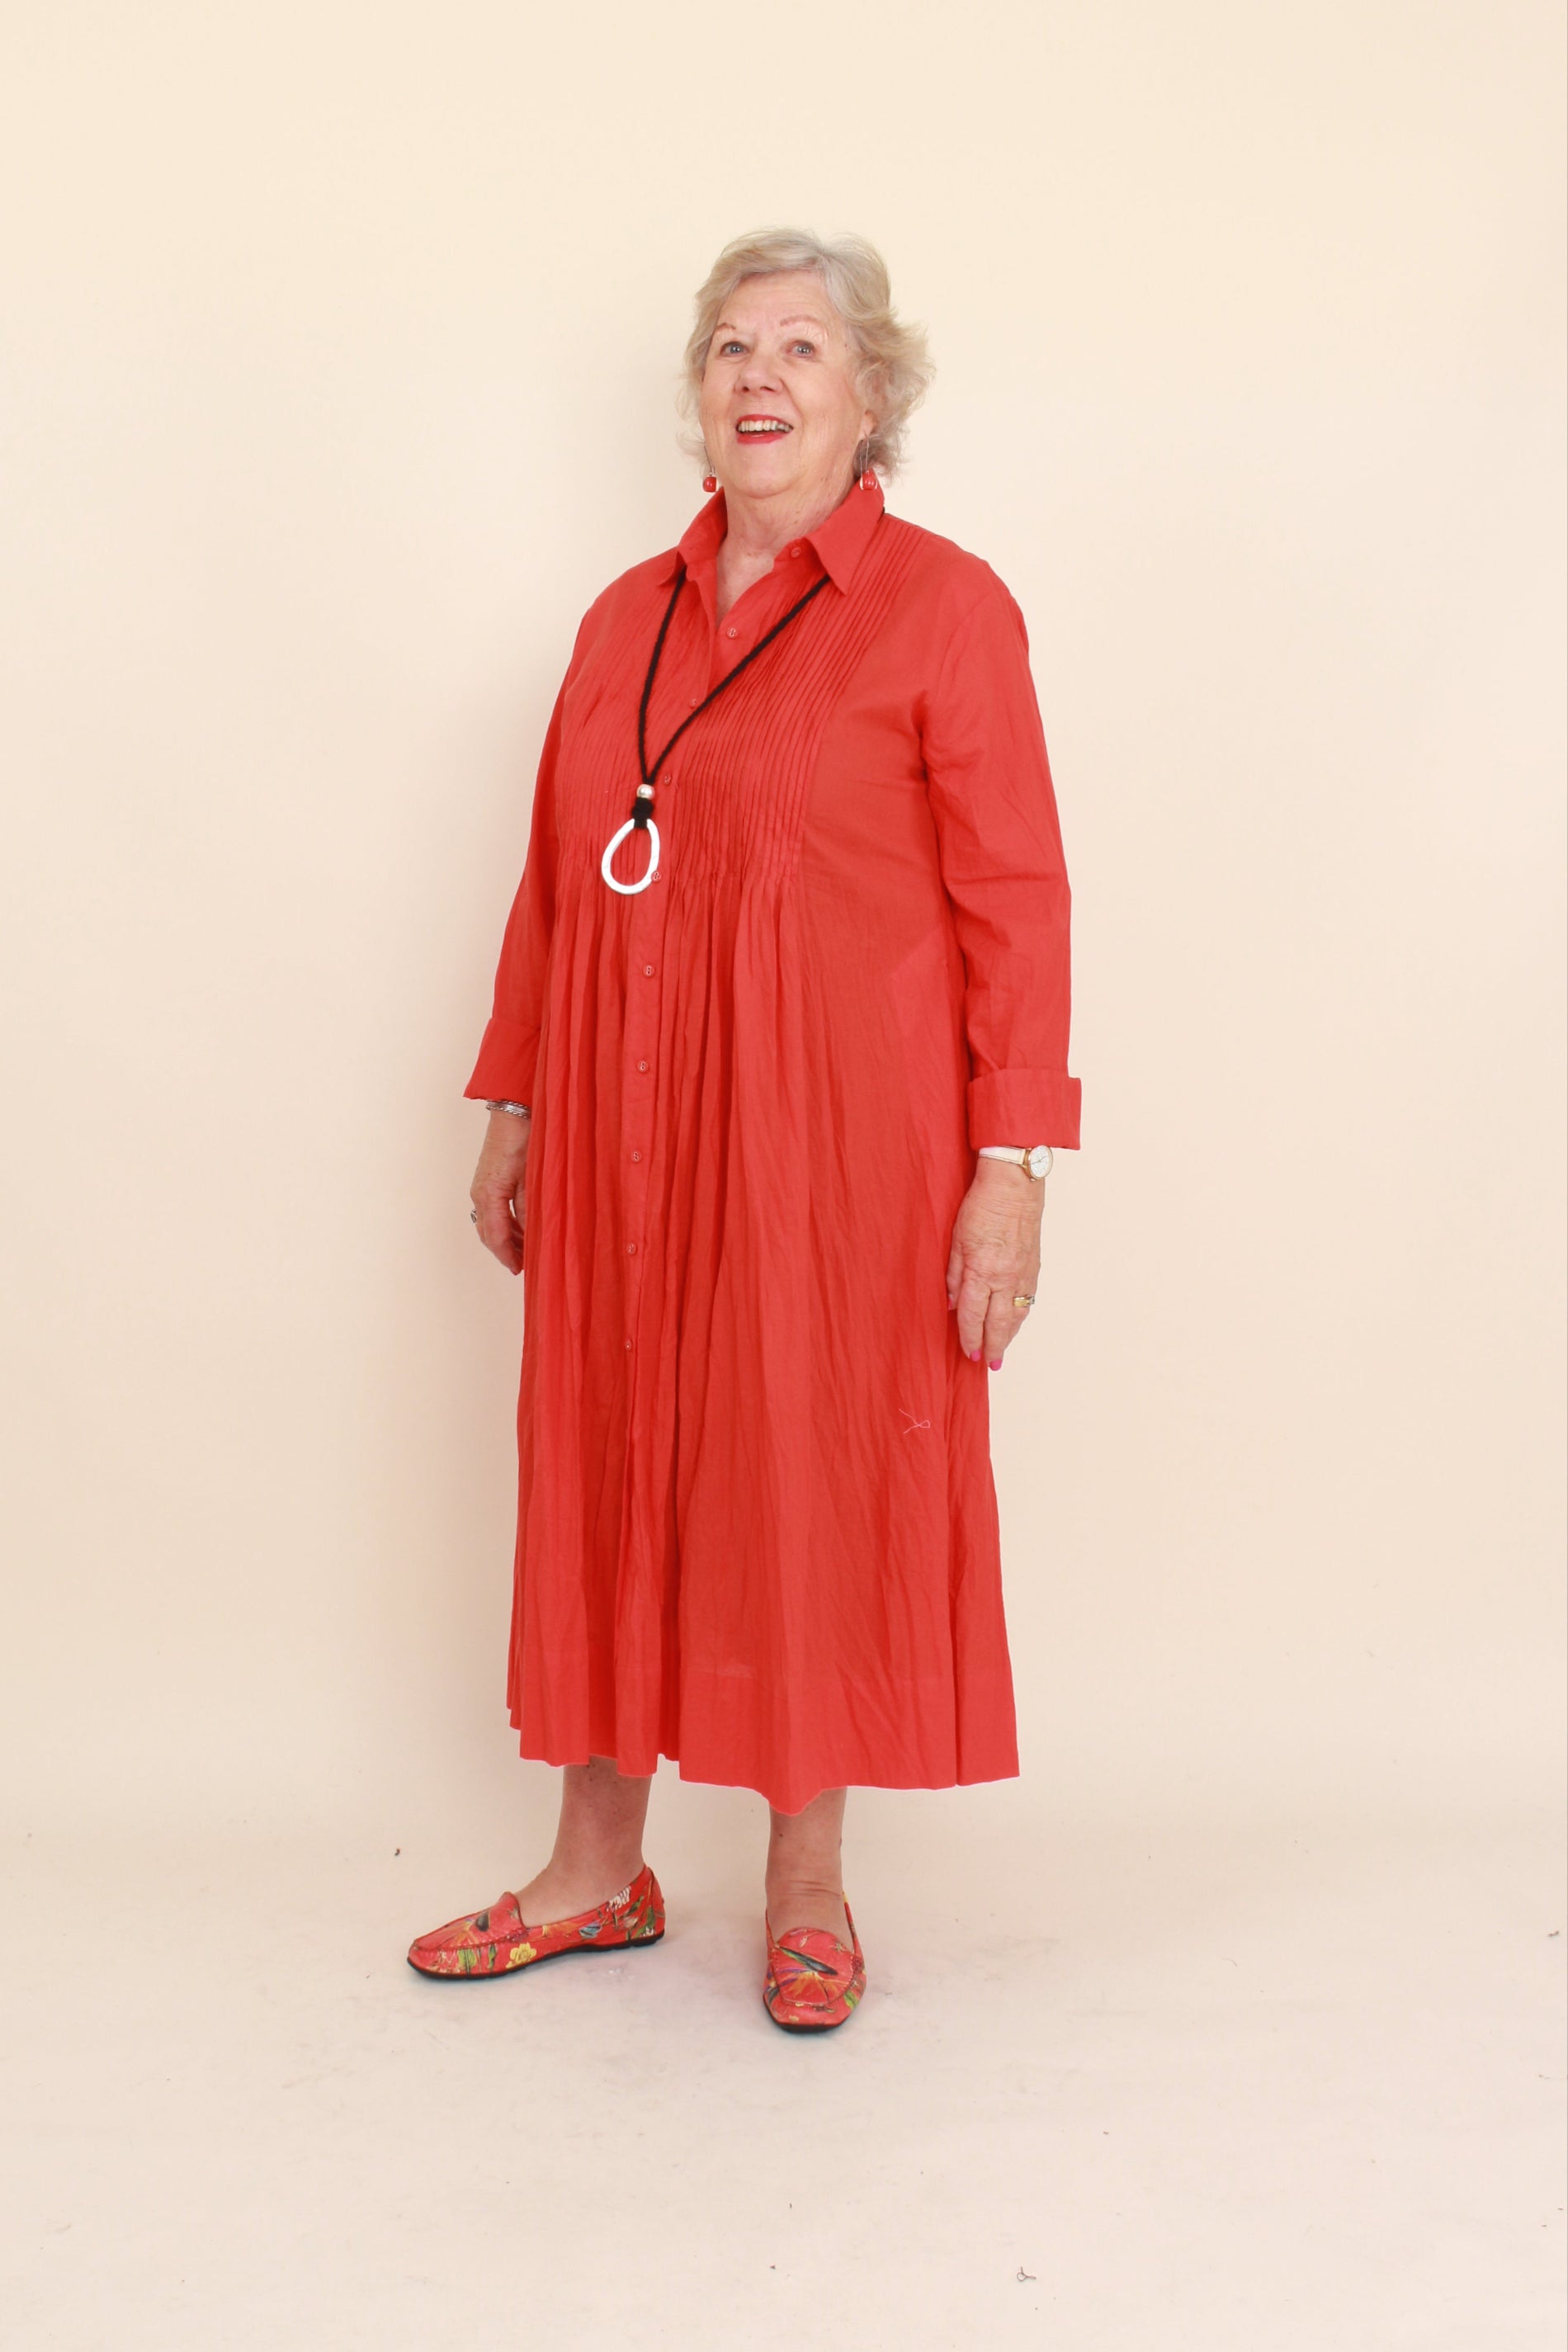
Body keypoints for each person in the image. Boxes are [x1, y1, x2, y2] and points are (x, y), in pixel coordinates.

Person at [407, 228, 1081, 2031]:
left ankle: (805, 1883)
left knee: (801, 1468)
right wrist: (516, 1100)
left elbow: (1017, 897)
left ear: (872, 401)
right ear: (698, 395)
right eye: (728, 346)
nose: (757, 375)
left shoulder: (942, 607)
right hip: (619, 1121)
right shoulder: (622, 618)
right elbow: (558, 877)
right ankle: (593, 1869)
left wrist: (1009, 1165)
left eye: (799, 347)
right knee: (607, 1450)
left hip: (830, 1146)